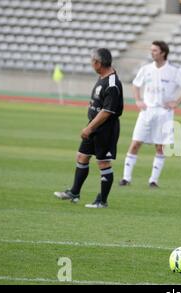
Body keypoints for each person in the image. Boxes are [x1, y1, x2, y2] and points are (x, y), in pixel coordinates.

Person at [54, 48, 124, 208]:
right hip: (94, 126)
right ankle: (74, 192)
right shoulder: (102, 77)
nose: (91, 63)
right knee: (82, 156)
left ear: (98, 63)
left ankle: (102, 201)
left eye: (92, 61)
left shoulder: (113, 83)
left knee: (103, 163)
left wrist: (89, 128)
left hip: (105, 129)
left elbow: (107, 112)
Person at [119, 41, 181, 188]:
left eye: (154, 50)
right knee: (135, 143)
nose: (151, 52)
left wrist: (177, 102)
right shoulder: (146, 69)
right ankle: (126, 178)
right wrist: (138, 99)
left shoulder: (174, 71)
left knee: (160, 147)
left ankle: (153, 180)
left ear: (163, 53)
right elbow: (136, 84)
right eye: (151, 50)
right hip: (147, 111)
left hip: (164, 113)